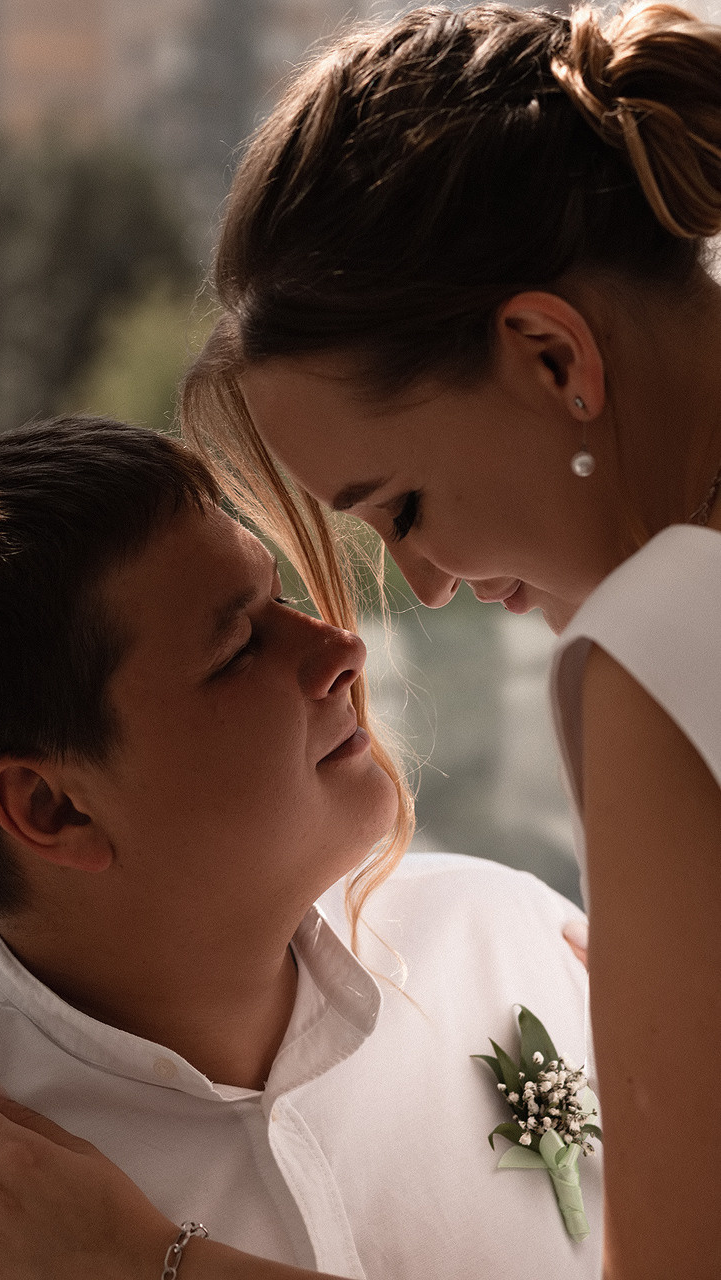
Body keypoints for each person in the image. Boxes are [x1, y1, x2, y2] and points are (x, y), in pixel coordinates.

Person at [174, 3, 721, 1277]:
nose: (422, 586)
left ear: (547, 354)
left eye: (401, 507)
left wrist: (149, 1260)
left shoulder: (661, 648)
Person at [0, 416, 597, 1278]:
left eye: (281, 599)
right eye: (239, 646)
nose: (342, 649)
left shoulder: (516, 942)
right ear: (52, 807)